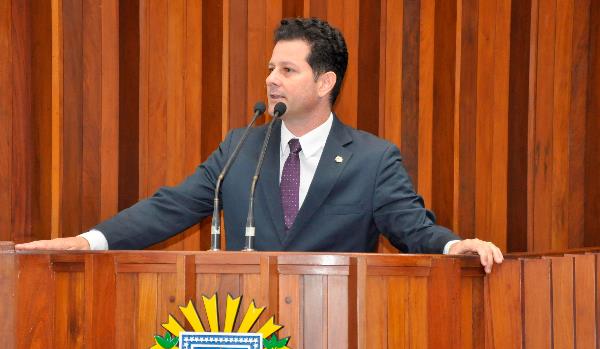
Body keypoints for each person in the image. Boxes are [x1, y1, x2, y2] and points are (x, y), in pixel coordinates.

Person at [16, 18, 503, 272]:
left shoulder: (373, 160)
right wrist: (88, 242)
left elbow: (411, 227)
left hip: (332, 332)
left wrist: (456, 244)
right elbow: (170, 208)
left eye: (287, 70)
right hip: (244, 336)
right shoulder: (240, 149)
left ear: (325, 82)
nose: (271, 79)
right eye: (271, 68)